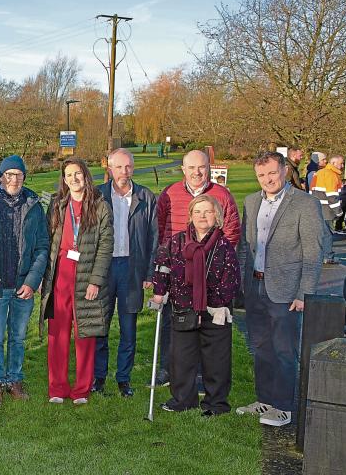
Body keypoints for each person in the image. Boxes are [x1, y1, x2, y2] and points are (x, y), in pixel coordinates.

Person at [236, 151, 326, 427]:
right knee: (260, 346)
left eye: (272, 173)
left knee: (284, 350)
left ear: (285, 170)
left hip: (286, 290)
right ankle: (264, 399)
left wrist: (303, 293)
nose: (267, 179)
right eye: (261, 175)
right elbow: (244, 246)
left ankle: (284, 407)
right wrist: (241, 283)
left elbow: (314, 252)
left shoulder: (305, 204)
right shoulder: (251, 202)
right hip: (255, 285)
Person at [154, 150, 240, 386]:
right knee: (173, 323)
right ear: (183, 169)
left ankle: (202, 374)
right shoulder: (169, 193)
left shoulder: (221, 195)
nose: (197, 172)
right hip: (178, 270)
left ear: (209, 168)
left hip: (210, 272)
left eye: (201, 167)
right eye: (191, 168)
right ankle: (168, 369)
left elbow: (231, 231)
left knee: (205, 323)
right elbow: (160, 229)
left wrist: (218, 261)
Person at [151, 195, 239, 415]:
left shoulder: (224, 246)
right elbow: (163, 267)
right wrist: (159, 293)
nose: (202, 216)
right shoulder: (176, 242)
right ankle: (182, 399)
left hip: (214, 311)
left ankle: (216, 404)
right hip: (182, 308)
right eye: (197, 212)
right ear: (190, 215)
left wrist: (210, 302)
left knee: (216, 361)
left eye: (208, 212)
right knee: (181, 358)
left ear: (216, 216)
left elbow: (231, 280)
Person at [0, 155, 49, 405]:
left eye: (18, 174)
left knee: (17, 338)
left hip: (22, 286)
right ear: (1, 176)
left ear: (24, 177)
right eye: (9, 174)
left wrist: (32, 279)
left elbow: (41, 246)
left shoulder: (34, 204)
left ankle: (15, 378)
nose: (14, 179)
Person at [39, 158, 113, 405]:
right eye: (68, 174)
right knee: (57, 334)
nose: (73, 179)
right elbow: (48, 242)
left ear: (86, 175)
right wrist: (44, 278)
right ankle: (57, 388)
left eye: (77, 173)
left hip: (87, 278)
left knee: (86, 335)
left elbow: (106, 246)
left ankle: (82, 389)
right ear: (63, 178)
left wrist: (96, 281)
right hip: (60, 277)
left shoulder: (100, 206)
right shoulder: (58, 205)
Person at [92, 148, 158, 397]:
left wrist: (150, 272)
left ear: (134, 167)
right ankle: (99, 377)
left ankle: (123, 378)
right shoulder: (98, 195)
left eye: (128, 166)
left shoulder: (145, 196)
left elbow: (154, 237)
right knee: (101, 326)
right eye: (118, 167)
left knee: (128, 329)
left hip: (132, 268)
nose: (124, 172)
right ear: (109, 168)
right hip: (104, 268)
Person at [311, 154, 344, 263]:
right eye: (341, 163)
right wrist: (338, 212)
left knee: (320, 234)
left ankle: (319, 256)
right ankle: (328, 257)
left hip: (317, 208)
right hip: (327, 209)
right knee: (328, 234)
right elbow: (332, 196)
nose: (343, 166)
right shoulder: (331, 175)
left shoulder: (319, 173)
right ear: (333, 163)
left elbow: (311, 191)